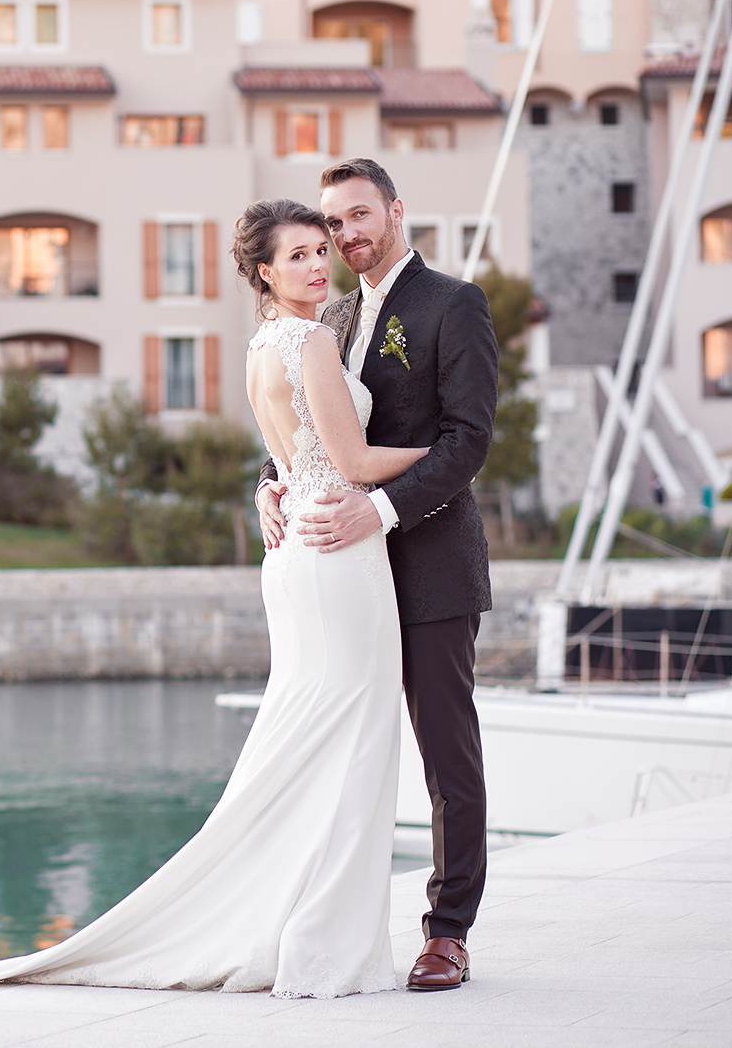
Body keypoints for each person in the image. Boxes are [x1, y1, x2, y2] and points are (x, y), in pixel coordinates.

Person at [0, 197, 437, 999]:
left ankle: (288, 923)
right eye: (300, 257)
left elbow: (293, 454)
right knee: (352, 743)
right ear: (265, 272)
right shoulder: (312, 337)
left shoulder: (260, 347)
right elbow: (346, 457)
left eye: (323, 251)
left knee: (306, 741)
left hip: (298, 554)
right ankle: (322, 944)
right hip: (338, 552)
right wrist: (449, 447)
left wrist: (273, 487)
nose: (320, 265)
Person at [258, 159, 499, 990]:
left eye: (360, 215)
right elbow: (310, 421)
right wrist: (270, 483)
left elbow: (468, 441)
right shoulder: (332, 314)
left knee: (445, 754)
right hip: (342, 569)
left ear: (397, 210)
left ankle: (448, 930)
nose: (347, 235)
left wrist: (384, 510)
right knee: (344, 744)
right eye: (334, 224)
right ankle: (319, 914)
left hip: (427, 559)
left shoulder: (453, 303)